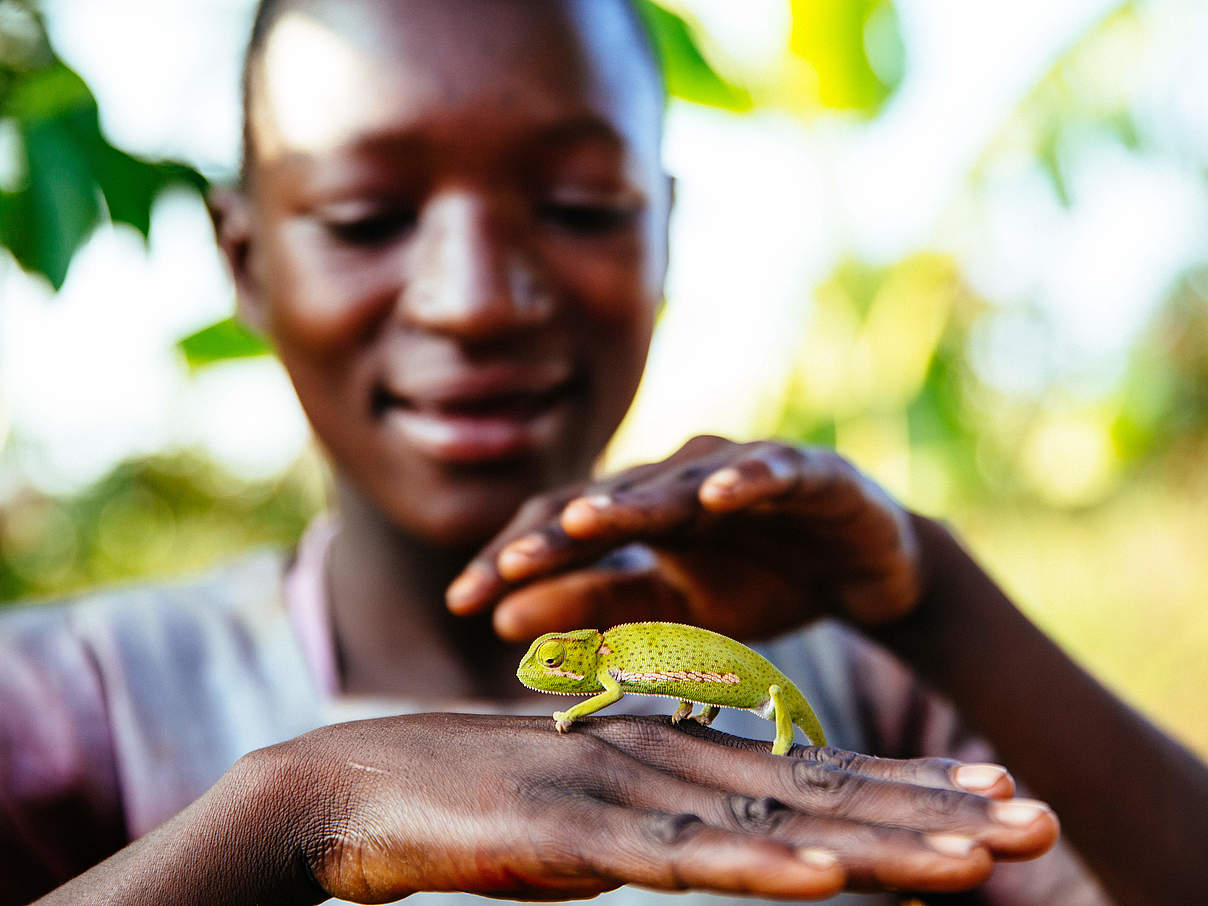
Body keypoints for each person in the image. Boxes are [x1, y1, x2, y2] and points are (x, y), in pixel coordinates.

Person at [2, 0, 1206, 903]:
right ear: (244, 258)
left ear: (667, 235)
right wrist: (291, 811)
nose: (473, 300)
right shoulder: (71, 701)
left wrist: (938, 604)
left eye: (578, 206)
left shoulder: (867, 692)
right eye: (366, 215)